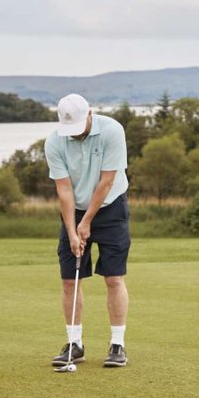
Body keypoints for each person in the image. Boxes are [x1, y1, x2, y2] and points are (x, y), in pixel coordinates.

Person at [45, 93, 130, 368]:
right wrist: (72, 230)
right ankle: (75, 343)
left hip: (111, 206)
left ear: (90, 113)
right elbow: (64, 190)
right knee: (70, 280)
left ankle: (117, 344)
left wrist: (87, 222)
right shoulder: (55, 142)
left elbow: (106, 182)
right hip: (75, 211)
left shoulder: (112, 131)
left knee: (113, 278)